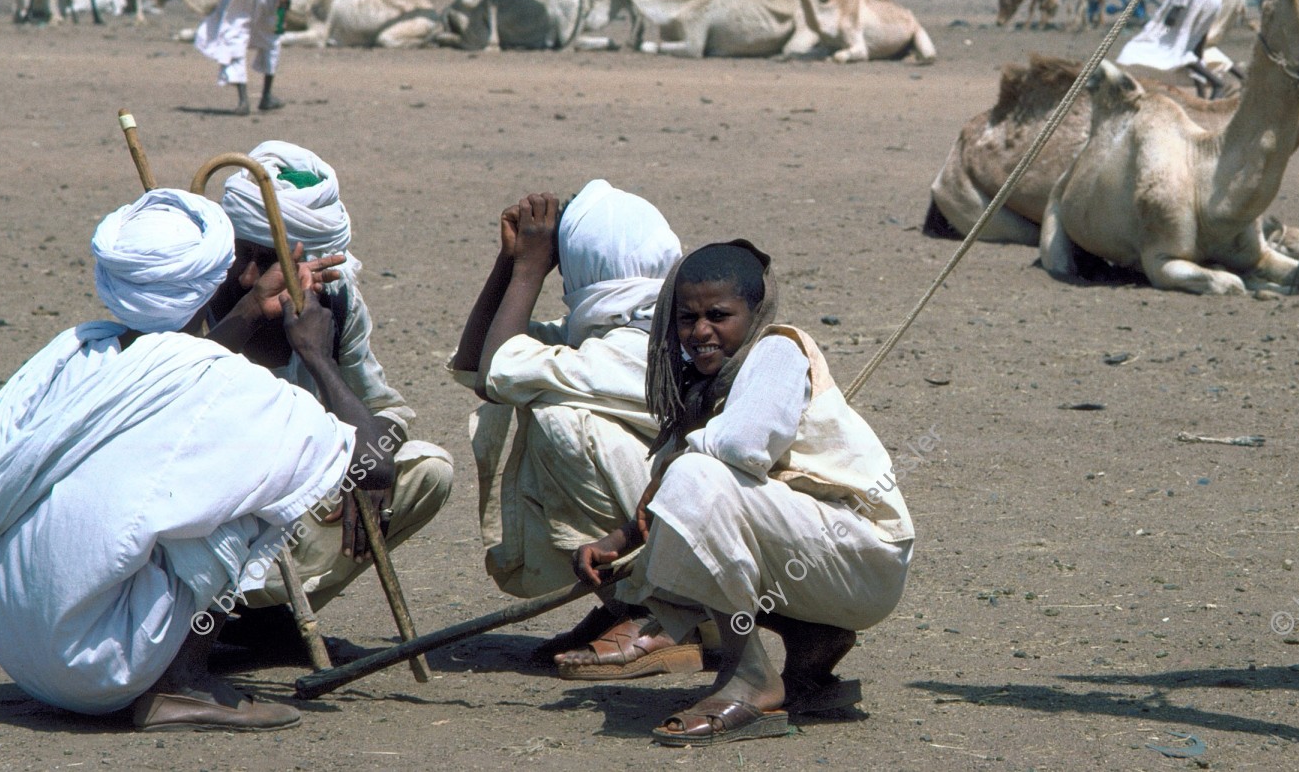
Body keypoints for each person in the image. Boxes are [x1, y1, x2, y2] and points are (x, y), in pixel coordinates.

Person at [0, 188, 393, 731]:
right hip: (104, 669)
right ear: (212, 279)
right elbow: (375, 465)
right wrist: (317, 355)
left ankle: (169, 663)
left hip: (21, 652)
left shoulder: (72, 352)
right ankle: (181, 684)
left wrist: (251, 310)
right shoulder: (222, 382)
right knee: (257, 476)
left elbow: (180, 365)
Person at [573, 241, 914, 746]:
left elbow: (744, 447)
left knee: (694, 480)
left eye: (719, 315)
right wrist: (621, 539)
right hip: (821, 563)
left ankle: (749, 676)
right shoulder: (701, 391)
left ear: (755, 313)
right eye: (687, 318)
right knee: (670, 532)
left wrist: (674, 469)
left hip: (861, 556)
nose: (700, 331)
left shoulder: (776, 350)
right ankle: (810, 638)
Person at [205, 141, 453, 645]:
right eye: (240, 254)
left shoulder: (334, 308)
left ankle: (267, 618)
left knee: (427, 469)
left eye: (267, 259)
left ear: (312, 267)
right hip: (204, 514)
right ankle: (194, 625)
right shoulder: (194, 292)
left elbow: (386, 412)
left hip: (284, 515)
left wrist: (316, 356)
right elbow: (172, 395)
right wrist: (249, 312)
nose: (249, 276)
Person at [451, 180, 699, 678]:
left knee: (557, 420)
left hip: (691, 531)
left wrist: (527, 270)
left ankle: (663, 617)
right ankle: (629, 604)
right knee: (551, 406)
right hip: (678, 520)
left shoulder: (632, 345)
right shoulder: (615, 326)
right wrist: (510, 263)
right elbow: (477, 362)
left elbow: (497, 372)